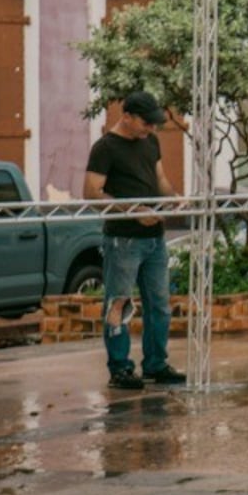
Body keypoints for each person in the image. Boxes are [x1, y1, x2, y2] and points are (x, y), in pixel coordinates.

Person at [85, 90, 181, 390]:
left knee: (160, 304)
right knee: (119, 303)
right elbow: (92, 193)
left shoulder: (150, 142)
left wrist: (174, 197)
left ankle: (155, 364)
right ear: (126, 116)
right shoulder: (105, 148)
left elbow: (160, 178)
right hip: (123, 239)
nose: (151, 129)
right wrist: (133, 211)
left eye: (154, 124)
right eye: (145, 123)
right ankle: (120, 368)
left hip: (154, 237)